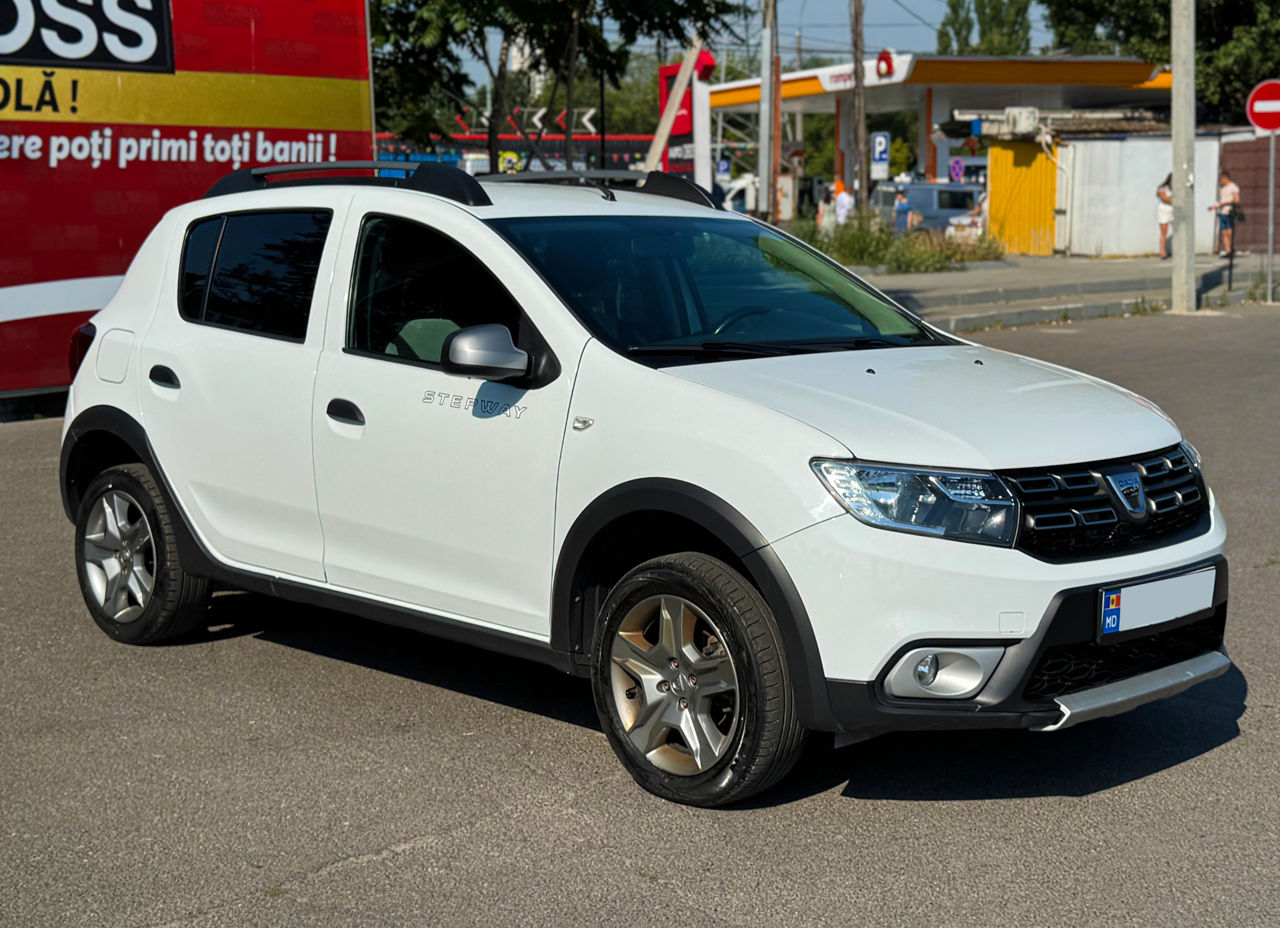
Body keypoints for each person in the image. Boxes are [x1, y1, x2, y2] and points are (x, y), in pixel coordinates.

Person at [1209, 170, 1241, 256]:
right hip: (1222, 211)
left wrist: (1225, 203)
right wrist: (1215, 206)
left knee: (1229, 231)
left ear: (1225, 178)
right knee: (1223, 232)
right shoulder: (1221, 188)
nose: (1220, 181)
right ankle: (1227, 250)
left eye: (1221, 179)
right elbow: (1220, 201)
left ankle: (1230, 248)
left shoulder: (1233, 187)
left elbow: (1236, 200)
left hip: (1229, 211)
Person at [1157, 173, 1173, 259]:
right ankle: (1163, 252)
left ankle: (1178, 250)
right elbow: (1164, 198)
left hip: (1173, 210)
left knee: (1178, 231)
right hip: (1164, 210)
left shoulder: (1176, 188)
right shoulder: (1162, 187)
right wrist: (1176, 202)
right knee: (1164, 232)